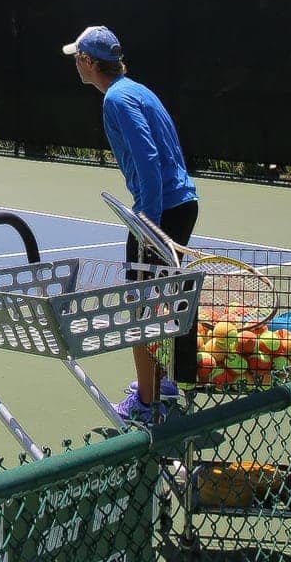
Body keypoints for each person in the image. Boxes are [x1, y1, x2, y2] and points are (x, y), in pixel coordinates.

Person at [65, 25, 200, 425]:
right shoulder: (137, 90)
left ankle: (147, 402)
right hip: (179, 205)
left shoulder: (118, 100)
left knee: (140, 306)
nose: (75, 63)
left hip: (159, 212)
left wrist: (148, 226)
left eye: (77, 57)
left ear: (89, 62)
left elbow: (150, 162)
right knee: (158, 300)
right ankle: (162, 383)